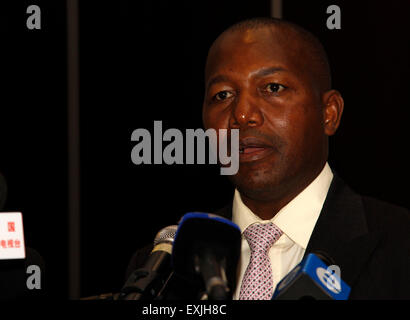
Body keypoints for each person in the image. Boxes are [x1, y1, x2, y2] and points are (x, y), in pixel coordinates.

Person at [124, 17, 410, 300]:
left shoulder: (400, 244)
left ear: (329, 113)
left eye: (273, 88)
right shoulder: (161, 269)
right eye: (222, 95)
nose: (243, 114)